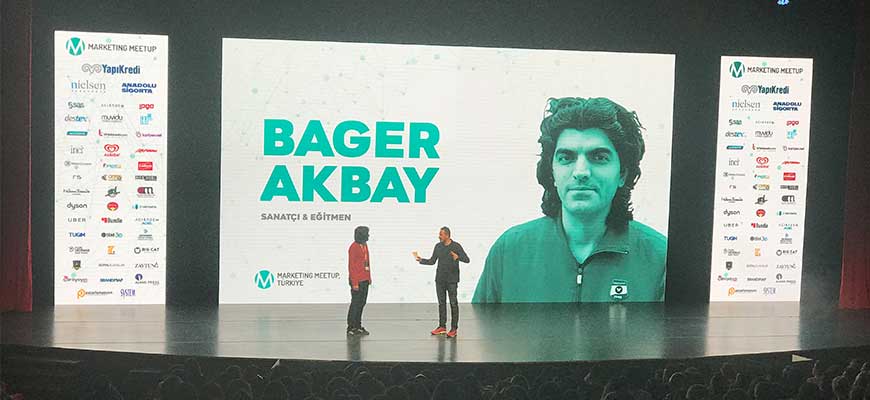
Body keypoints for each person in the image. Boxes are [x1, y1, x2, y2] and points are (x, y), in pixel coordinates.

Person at [473, 97, 667, 303]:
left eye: (599, 157)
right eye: (566, 158)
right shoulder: (509, 252)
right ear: (552, 171)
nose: (580, 172)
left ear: (622, 174)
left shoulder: (661, 258)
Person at [414, 227, 470, 337]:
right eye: (439, 234)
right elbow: (432, 261)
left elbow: (467, 259)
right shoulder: (438, 246)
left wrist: (458, 257)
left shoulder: (456, 246)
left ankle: (454, 329)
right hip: (440, 279)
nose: (439, 236)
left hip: (452, 280)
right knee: (441, 303)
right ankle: (442, 327)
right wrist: (421, 260)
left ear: (447, 235)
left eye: (441, 234)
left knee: (453, 303)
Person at [347, 226, 371, 336]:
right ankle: (351, 327)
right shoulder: (353, 247)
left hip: (364, 279)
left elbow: (367, 262)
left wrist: (369, 277)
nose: (368, 236)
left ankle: (358, 325)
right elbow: (351, 266)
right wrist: (355, 283)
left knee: (362, 303)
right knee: (355, 304)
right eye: (367, 234)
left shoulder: (364, 245)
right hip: (357, 280)